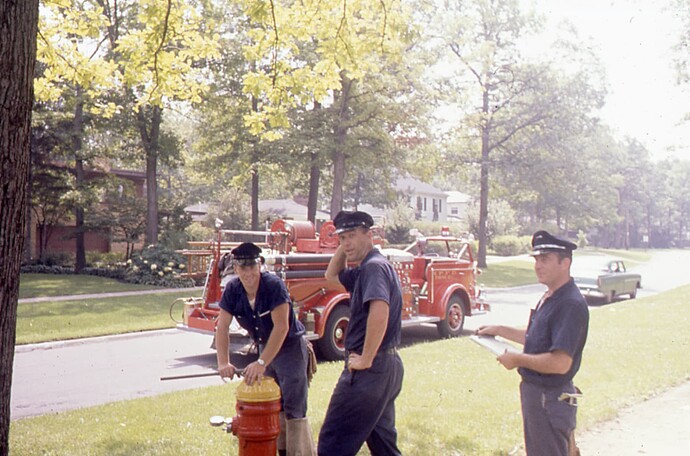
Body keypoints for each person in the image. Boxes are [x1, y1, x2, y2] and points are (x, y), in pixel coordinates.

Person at [477, 230, 589, 456]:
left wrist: (517, 359)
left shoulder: (569, 304)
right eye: (536, 259)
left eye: (545, 259)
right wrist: (500, 330)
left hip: (549, 398)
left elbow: (560, 363)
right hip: (540, 397)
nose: (538, 266)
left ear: (565, 263)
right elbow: (537, 338)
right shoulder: (552, 295)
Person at [317, 210, 405, 456]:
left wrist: (366, 358)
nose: (346, 243)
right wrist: (345, 247)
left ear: (369, 235)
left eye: (352, 235)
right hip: (386, 367)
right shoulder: (369, 267)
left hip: (369, 370)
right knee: (384, 447)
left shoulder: (373, 268)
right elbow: (331, 276)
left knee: (332, 445)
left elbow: (379, 310)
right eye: (342, 238)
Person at [215, 242, 315, 456]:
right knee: (272, 402)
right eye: (243, 268)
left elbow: (282, 327)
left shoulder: (273, 286)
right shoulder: (233, 290)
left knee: (294, 407)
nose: (248, 273)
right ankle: (279, 450)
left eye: (252, 267)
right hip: (264, 345)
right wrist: (223, 362)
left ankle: (301, 453)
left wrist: (261, 362)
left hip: (290, 347)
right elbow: (222, 327)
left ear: (259, 265)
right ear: (236, 268)